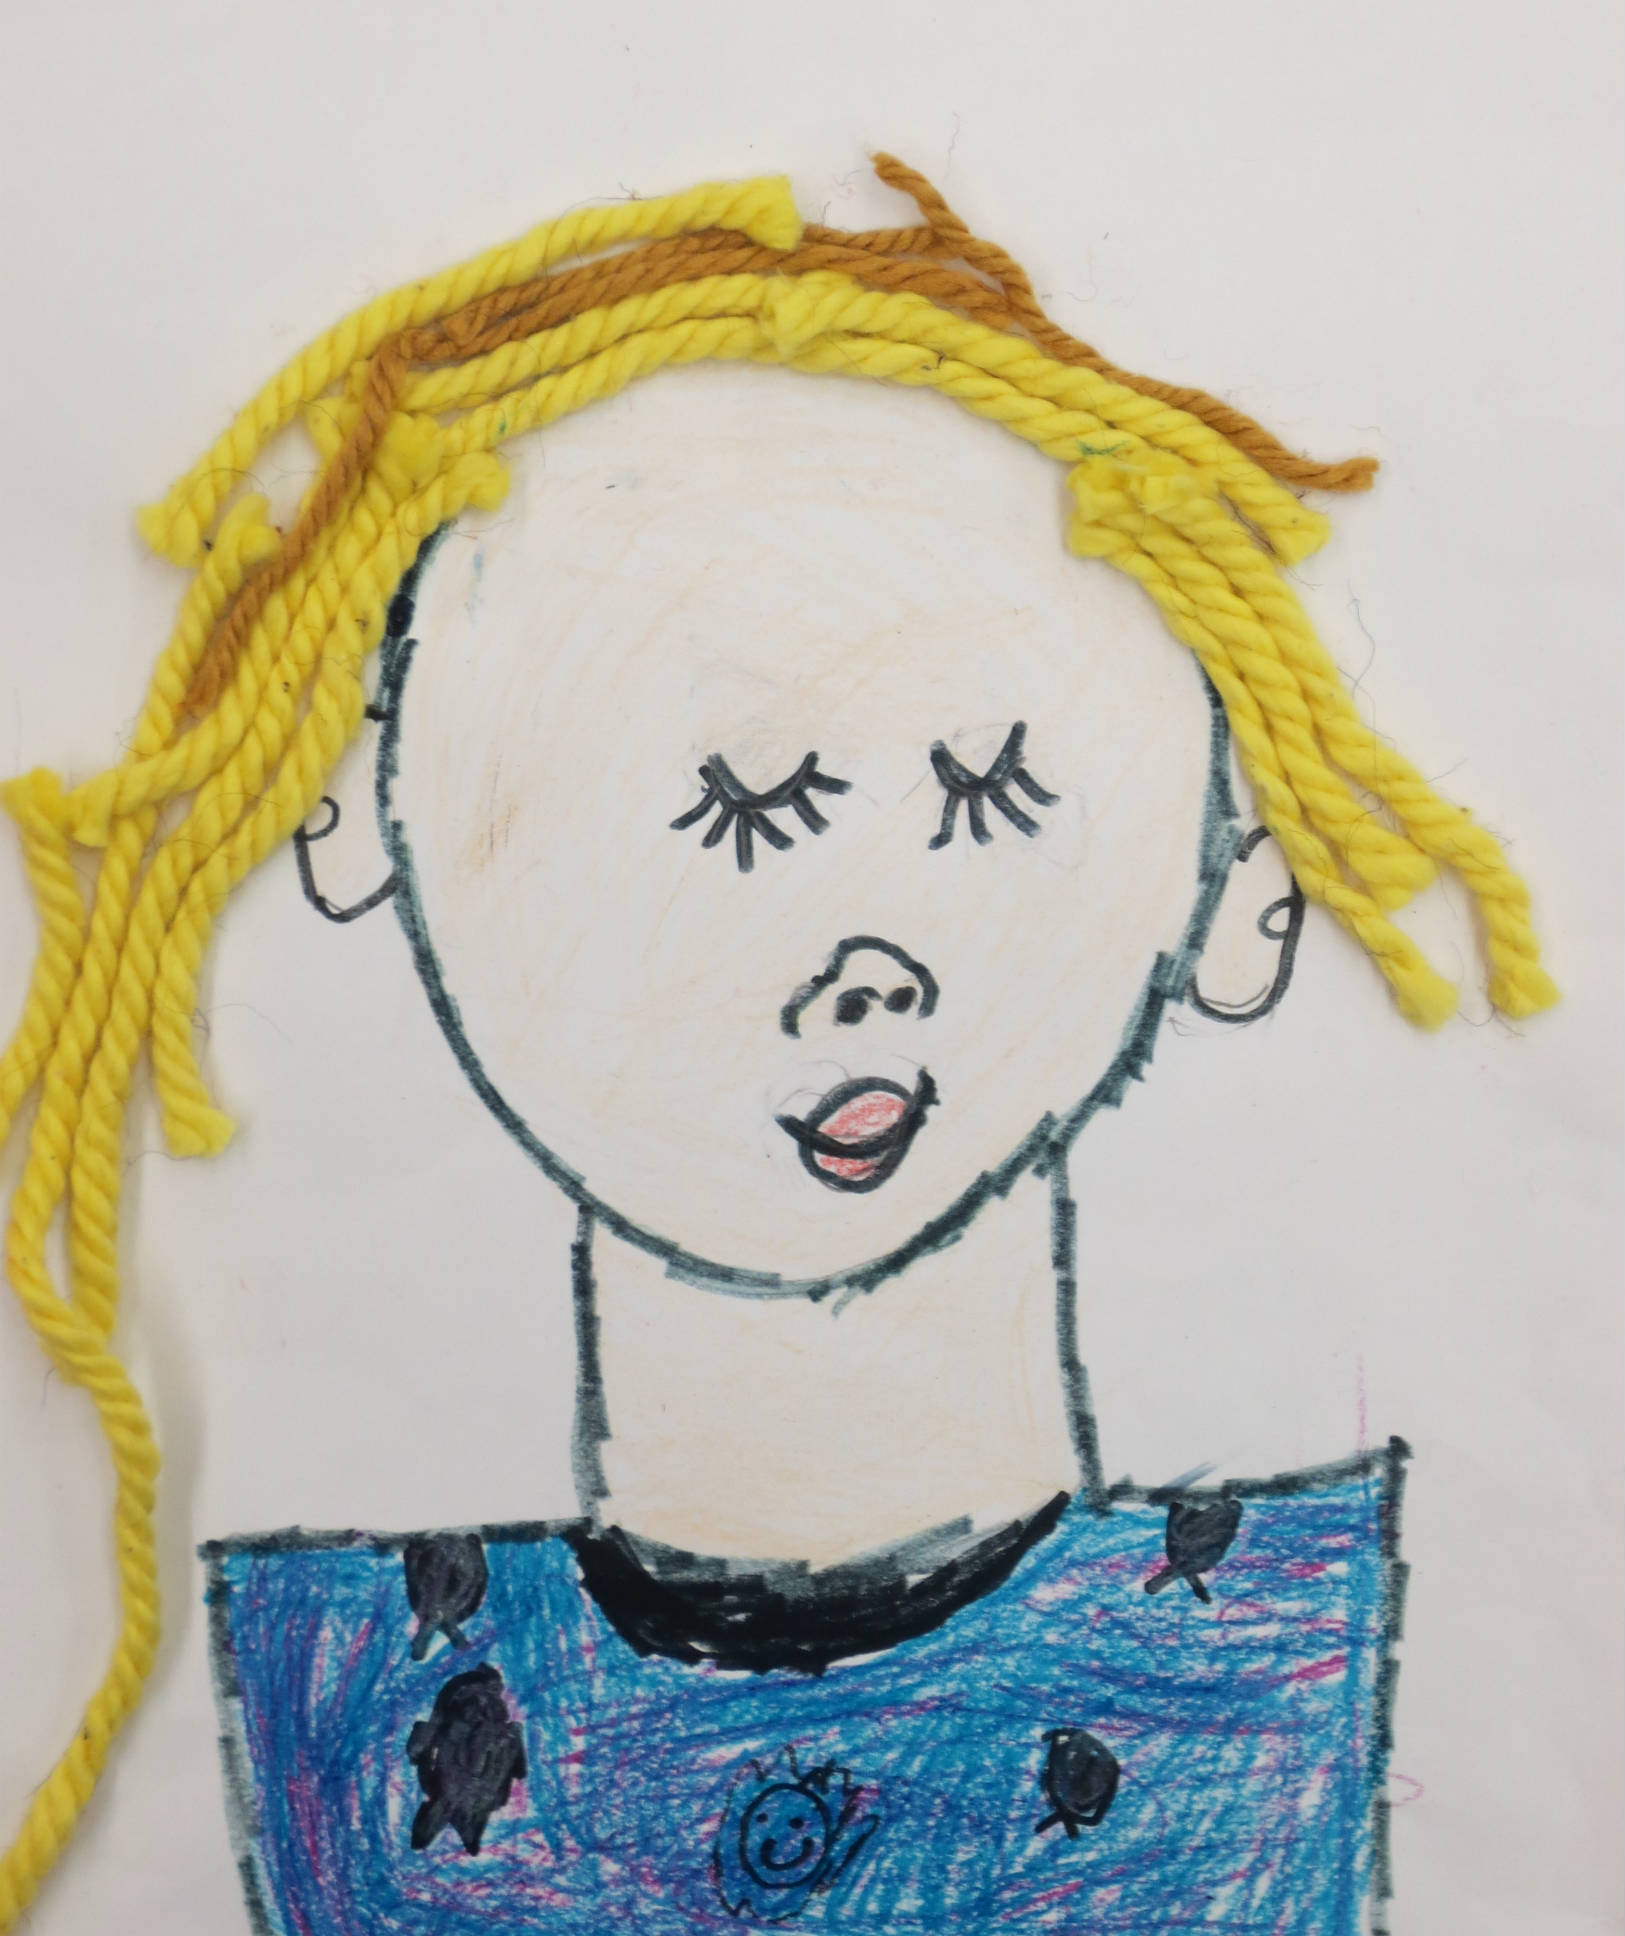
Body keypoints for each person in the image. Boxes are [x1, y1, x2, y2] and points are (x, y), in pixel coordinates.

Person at [0, 156, 1553, 1934]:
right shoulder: (342, 1718)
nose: (861, 962)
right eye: (734, 810)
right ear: (349, 805)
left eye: (990, 791)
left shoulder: (1285, 1670)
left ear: (1238, 884)